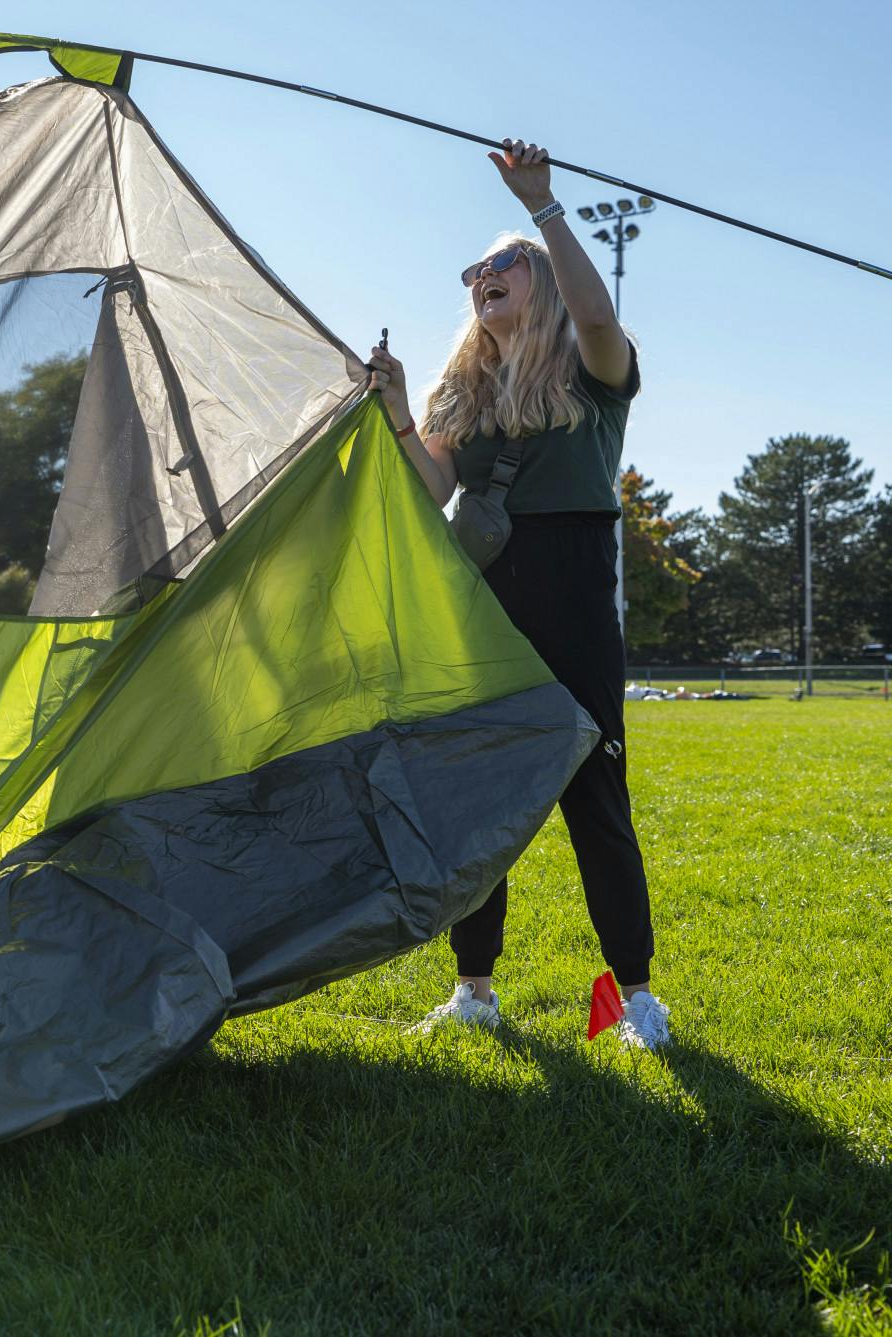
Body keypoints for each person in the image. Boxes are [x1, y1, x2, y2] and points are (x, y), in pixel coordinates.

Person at [365, 139, 670, 1051]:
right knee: (480, 798)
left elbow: (596, 311)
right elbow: (427, 490)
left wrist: (541, 207)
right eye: (474, 275)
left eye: (499, 269)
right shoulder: (466, 393)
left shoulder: (594, 373)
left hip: (574, 601)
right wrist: (395, 409)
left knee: (595, 800)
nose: (481, 281)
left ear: (536, 281)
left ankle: (640, 998)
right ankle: (474, 989)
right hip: (483, 606)